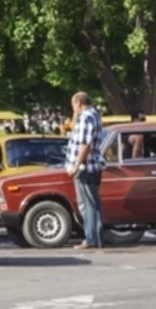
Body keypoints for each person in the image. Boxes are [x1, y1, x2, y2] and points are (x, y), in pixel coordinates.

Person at [64, 91, 106, 250]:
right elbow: (75, 129)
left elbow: (85, 144)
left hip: (86, 167)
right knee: (91, 204)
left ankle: (91, 238)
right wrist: (75, 114)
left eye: (73, 105)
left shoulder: (87, 117)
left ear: (79, 103)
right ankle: (95, 237)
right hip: (90, 166)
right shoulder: (92, 115)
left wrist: (76, 165)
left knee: (87, 205)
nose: (73, 108)